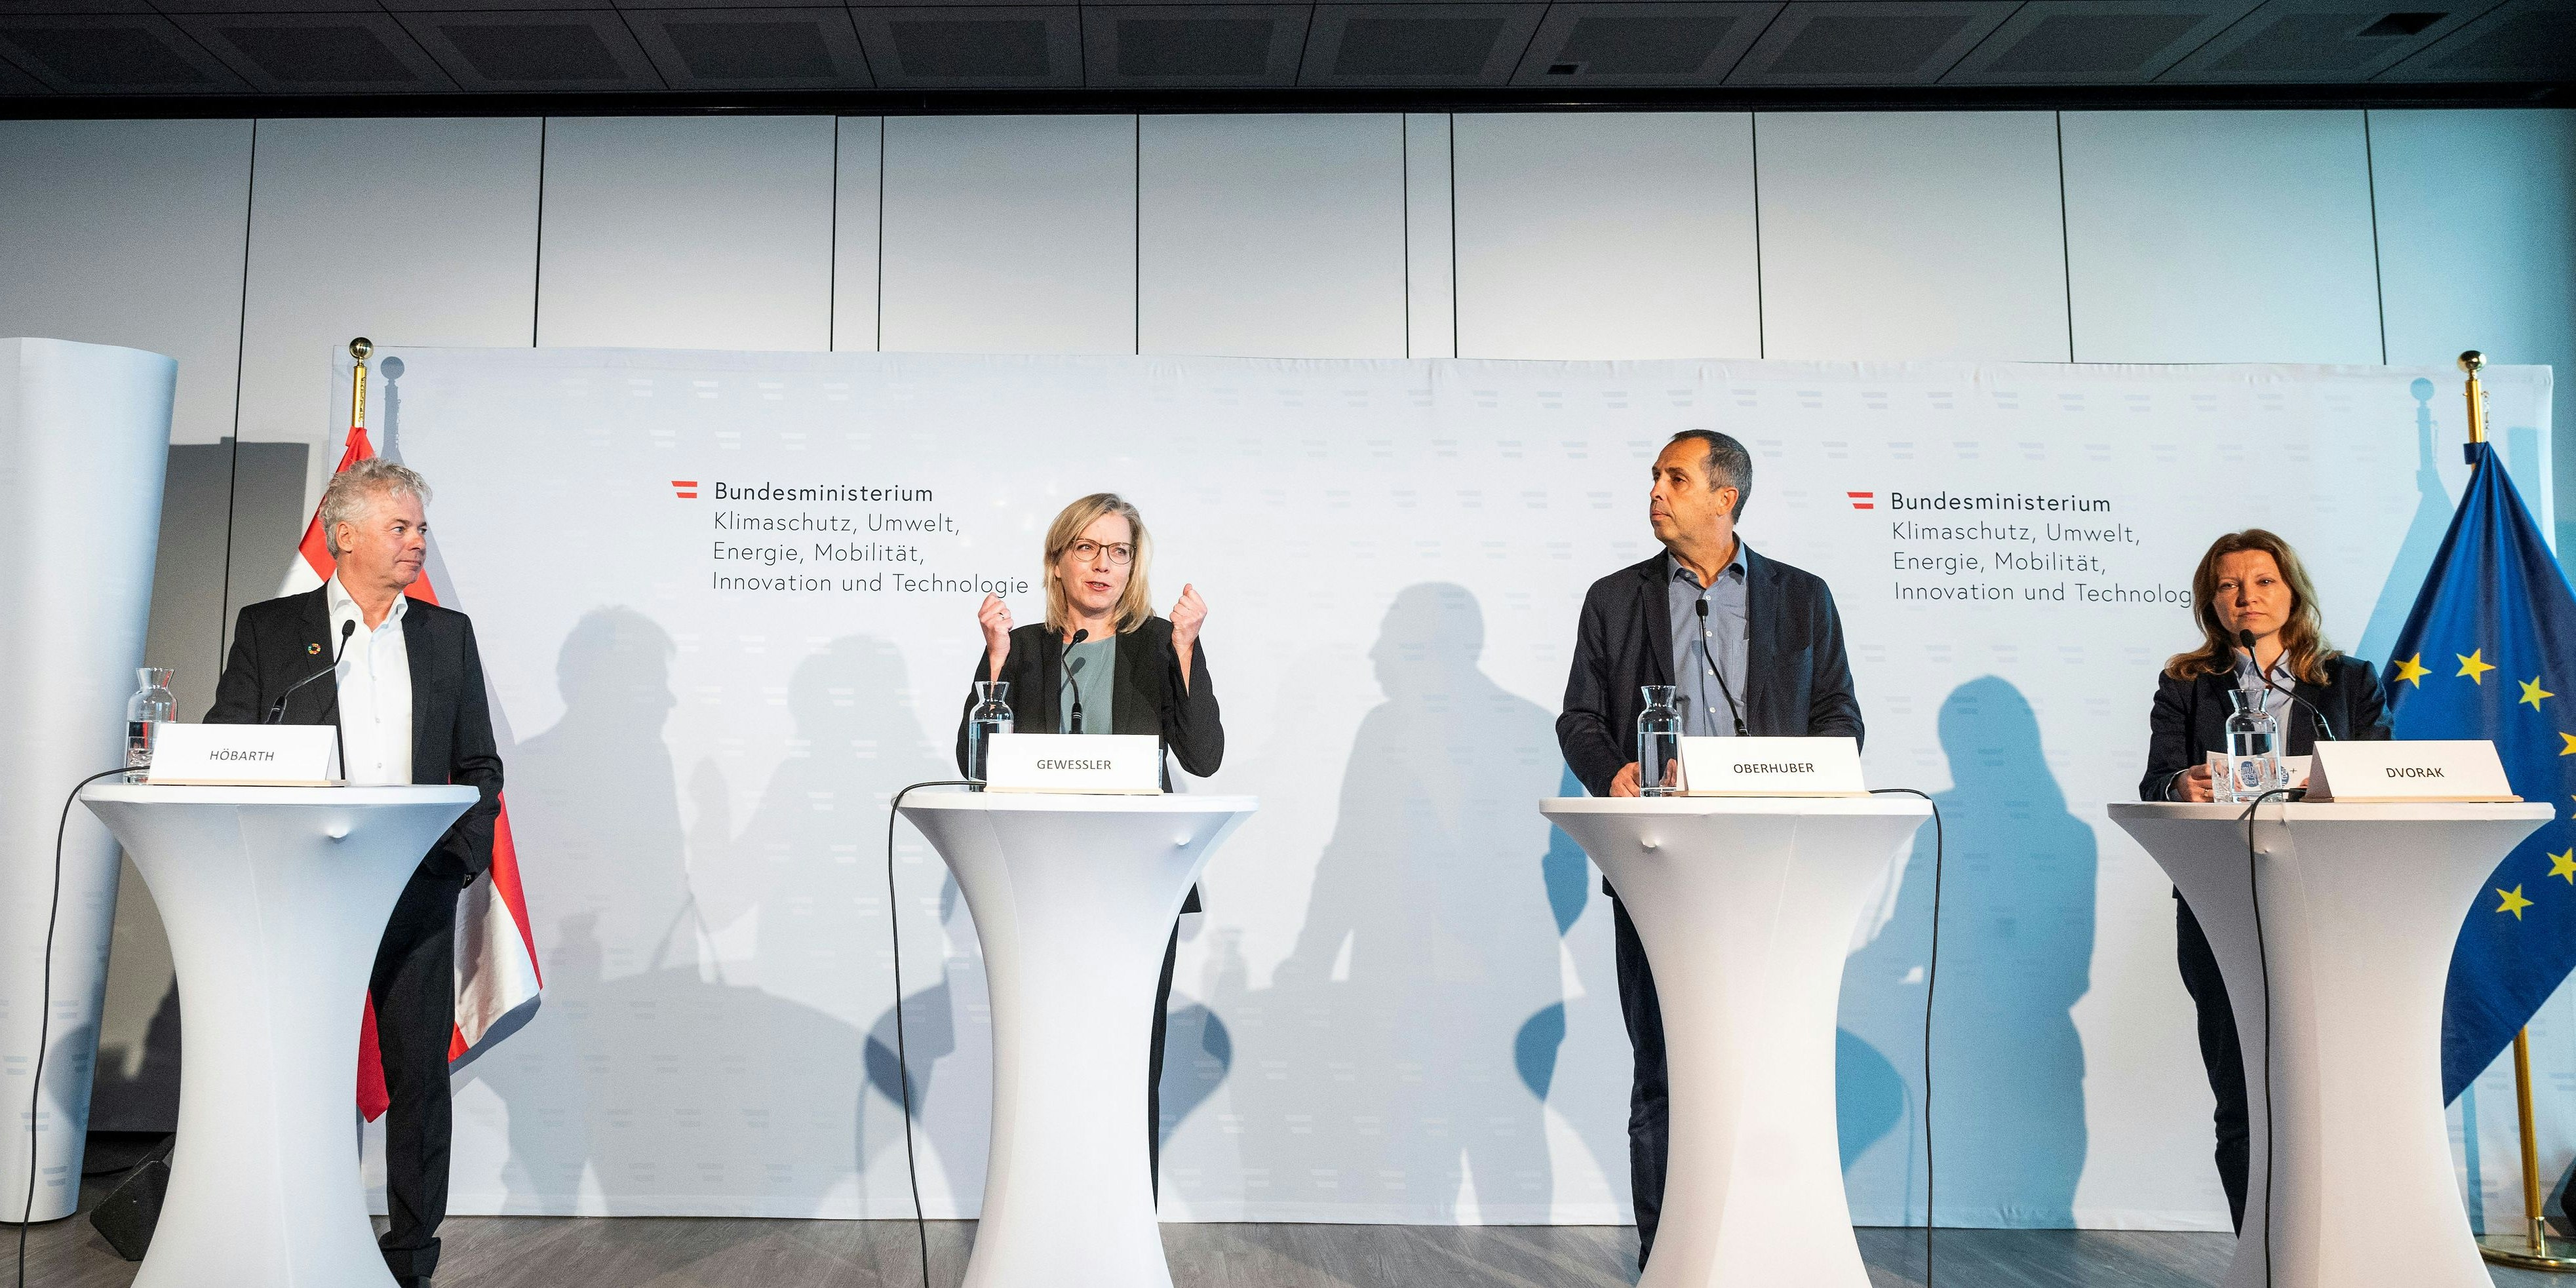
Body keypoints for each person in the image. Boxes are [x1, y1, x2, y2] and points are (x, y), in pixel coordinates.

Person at [1555, 429, 1862, 1266]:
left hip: (1775, 869)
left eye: (1675, 477)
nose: (1655, 489)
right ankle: (1671, 1262)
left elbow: (1838, 715)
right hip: (1659, 868)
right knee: (1663, 1071)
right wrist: (1612, 768)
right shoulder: (1614, 600)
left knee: (1768, 1075)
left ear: (1725, 498)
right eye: (1654, 475)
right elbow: (1578, 718)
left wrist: (1811, 773)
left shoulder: (1802, 598)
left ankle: (1772, 1255)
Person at [206, 458, 503, 1288]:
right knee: (309, 1073)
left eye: (419, 527)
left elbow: (479, 764)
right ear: (343, 535)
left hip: (415, 890)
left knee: (417, 1078)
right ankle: (308, 1231)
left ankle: (411, 1256)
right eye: (401, 527)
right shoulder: (274, 632)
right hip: (306, 892)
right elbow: (228, 740)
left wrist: (455, 864)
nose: (418, 542)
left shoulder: (448, 636)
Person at [954, 492, 1220, 1190]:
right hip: (1043, 889)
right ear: (1058, 558)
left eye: (1119, 551)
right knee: (1048, 1068)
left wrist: (1188, 651)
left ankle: (1128, 1233)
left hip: (1137, 890)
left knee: (1132, 1064)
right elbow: (973, 764)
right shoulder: (1029, 648)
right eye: (1088, 548)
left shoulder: (1161, 642)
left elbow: (1203, 757)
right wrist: (995, 662)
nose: (1104, 565)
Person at [2139, 528, 2389, 1230]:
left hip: (2329, 906)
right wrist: (2179, 783)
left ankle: (2333, 1247)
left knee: (2329, 1089)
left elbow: (2380, 780)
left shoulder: (2348, 683)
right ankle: (2260, 1251)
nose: (2244, 597)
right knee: (2242, 1090)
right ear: (2210, 602)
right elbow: (2156, 780)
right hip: (2220, 904)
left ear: (2292, 592)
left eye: (2261, 582)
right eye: (2227, 585)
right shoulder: (2187, 684)